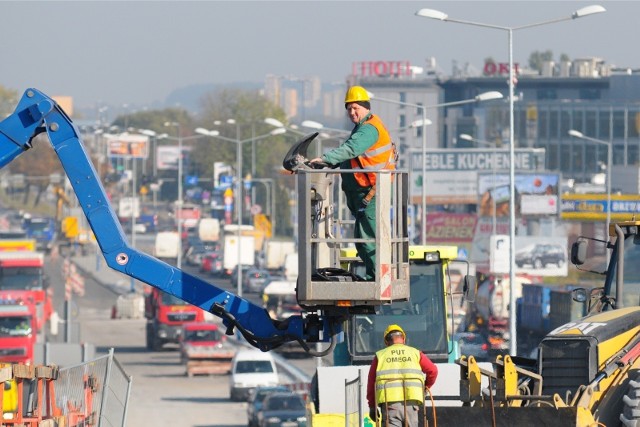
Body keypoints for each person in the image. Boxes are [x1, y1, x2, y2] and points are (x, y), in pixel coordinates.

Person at [310, 85, 397, 280]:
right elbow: (352, 159)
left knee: (368, 238)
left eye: (356, 107)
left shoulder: (369, 130)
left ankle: (379, 278)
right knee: (361, 238)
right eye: (349, 108)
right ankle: (373, 275)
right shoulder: (362, 128)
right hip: (366, 194)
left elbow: (350, 149)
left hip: (373, 193)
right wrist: (327, 165)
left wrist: (327, 158)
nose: (352, 112)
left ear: (366, 107)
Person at [367, 324, 438, 427]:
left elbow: (371, 382)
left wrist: (372, 407)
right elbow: (433, 371)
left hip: (390, 405)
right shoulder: (415, 353)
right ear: (403, 339)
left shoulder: (380, 356)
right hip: (412, 405)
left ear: (386, 342)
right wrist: (425, 388)